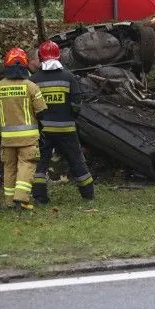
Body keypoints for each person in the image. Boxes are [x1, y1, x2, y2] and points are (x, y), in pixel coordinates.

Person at [30, 40, 94, 203]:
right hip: (67, 129)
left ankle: (40, 197)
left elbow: (31, 107)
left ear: (41, 57)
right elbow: (76, 105)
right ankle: (88, 195)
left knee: (40, 164)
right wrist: (70, 117)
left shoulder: (34, 80)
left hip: (43, 131)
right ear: (59, 57)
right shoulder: (69, 77)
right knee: (76, 161)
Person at [0, 48, 47, 211]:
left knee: (9, 167)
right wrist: (40, 129)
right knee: (26, 165)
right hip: (28, 138)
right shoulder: (31, 87)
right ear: (25, 65)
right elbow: (42, 112)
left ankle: (8, 201)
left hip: (7, 138)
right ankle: (20, 200)